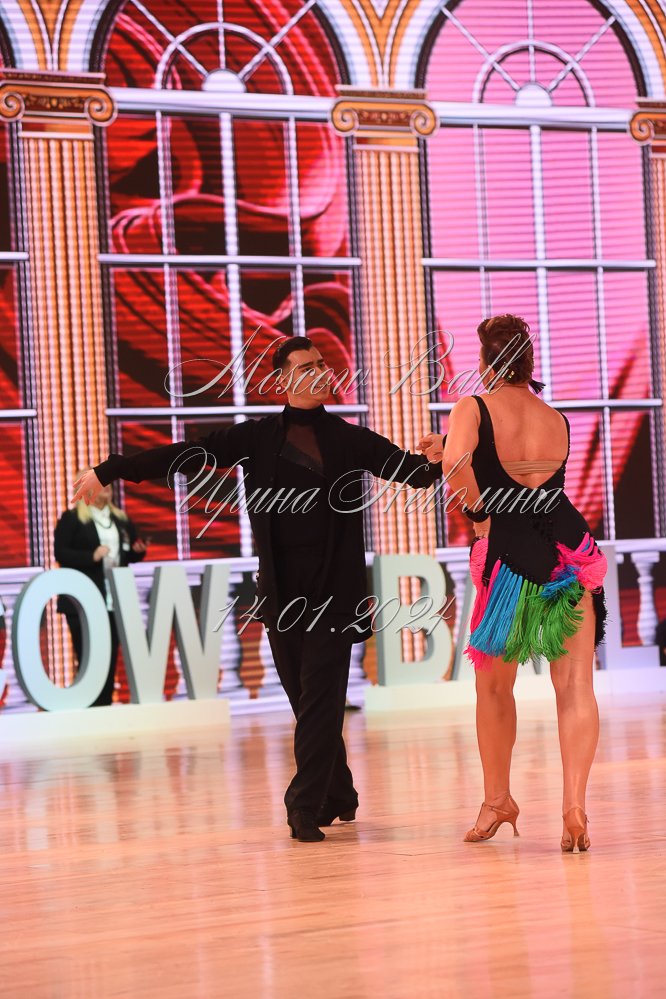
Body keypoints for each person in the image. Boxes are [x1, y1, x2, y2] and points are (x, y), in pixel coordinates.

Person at [71, 337, 443, 842]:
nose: (319, 373)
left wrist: (444, 452)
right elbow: (188, 455)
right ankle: (339, 793)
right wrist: (113, 469)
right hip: (282, 596)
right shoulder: (257, 438)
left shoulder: (350, 439)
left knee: (320, 701)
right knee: (306, 701)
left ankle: (302, 805)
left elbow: (415, 474)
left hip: (335, 597)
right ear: (282, 381)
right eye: (305, 367)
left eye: (322, 364)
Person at [420, 315, 607, 853]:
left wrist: (479, 515)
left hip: (508, 556)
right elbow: (518, 466)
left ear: (485, 363)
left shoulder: (473, 407)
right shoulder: (554, 417)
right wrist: (453, 450)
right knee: (576, 688)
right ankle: (574, 808)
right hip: (569, 551)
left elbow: (461, 466)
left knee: (494, 688)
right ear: (528, 362)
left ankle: (498, 800)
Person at [54, 472, 148, 706]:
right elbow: (61, 553)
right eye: (100, 483)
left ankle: (105, 707)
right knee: (88, 657)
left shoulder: (120, 519)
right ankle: (87, 707)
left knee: (110, 655)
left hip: (113, 598)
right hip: (84, 600)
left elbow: (129, 552)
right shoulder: (73, 518)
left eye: (107, 483)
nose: (107, 487)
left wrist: (138, 551)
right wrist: (91, 556)